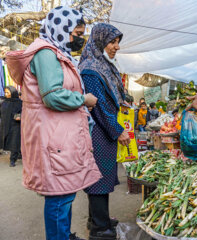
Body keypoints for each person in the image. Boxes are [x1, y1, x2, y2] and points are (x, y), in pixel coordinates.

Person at [6, 6, 101, 240]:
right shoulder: (46, 54)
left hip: (61, 135)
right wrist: (83, 99)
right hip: (53, 137)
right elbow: (53, 95)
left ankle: (65, 235)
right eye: (77, 34)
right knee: (59, 197)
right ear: (62, 28)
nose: (79, 39)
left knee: (65, 192)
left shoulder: (58, 53)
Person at [79, 23, 131, 240]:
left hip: (103, 130)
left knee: (104, 175)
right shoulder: (91, 68)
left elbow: (110, 98)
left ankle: (99, 218)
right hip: (98, 131)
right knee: (99, 178)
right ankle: (99, 229)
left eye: (118, 41)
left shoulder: (102, 64)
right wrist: (118, 130)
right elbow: (99, 106)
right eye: (112, 41)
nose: (116, 46)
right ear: (100, 41)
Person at [0, 86, 22, 166]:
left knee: (14, 143)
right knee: (7, 140)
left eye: (7, 93)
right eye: (5, 92)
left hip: (15, 126)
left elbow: (24, 113)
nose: (5, 94)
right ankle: (19, 154)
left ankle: (12, 160)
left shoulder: (19, 103)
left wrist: (20, 116)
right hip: (5, 125)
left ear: (13, 93)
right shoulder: (3, 102)